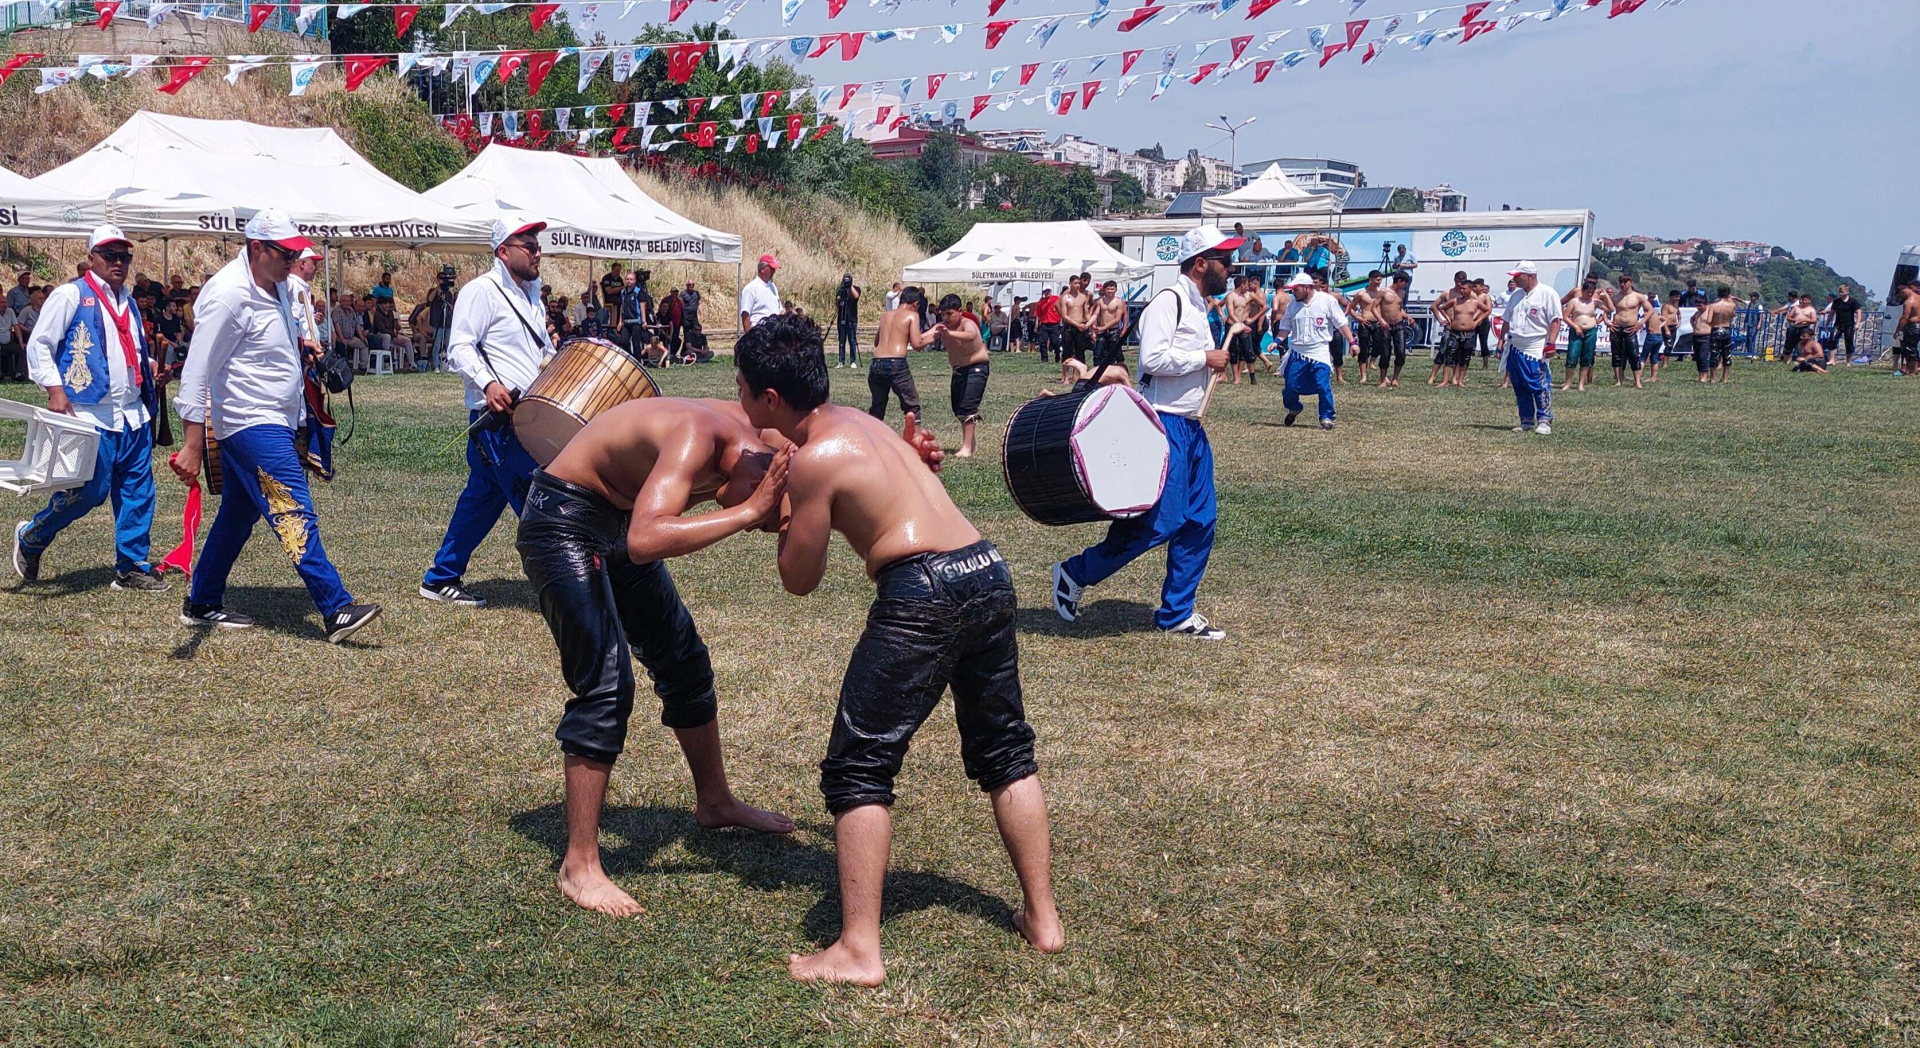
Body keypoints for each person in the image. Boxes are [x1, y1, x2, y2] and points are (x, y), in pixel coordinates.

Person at [733, 314, 1062, 985]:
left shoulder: (813, 461)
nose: (737, 399)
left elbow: (799, 580)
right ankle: (1044, 920)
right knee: (1005, 749)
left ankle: (858, 949)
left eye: (741, 389)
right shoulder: (862, 421)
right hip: (986, 569)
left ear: (768, 398)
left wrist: (773, 509)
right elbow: (897, 473)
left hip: (923, 589)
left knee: (858, 764)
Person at [514, 395, 813, 918]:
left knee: (684, 662)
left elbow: (838, 437)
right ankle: (579, 866)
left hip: (619, 518)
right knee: (606, 685)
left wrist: (908, 455)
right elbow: (646, 539)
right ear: (756, 479)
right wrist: (746, 512)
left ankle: (715, 803)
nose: (756, 528)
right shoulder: (697, 438)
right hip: (563, 519)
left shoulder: (767, 439)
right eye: (763, 517)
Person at [169, 209, 380, 641]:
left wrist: (302, 349)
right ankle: (336, 607)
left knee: (238, 514)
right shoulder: (228, 296)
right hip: (250, 420)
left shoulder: (278, 284)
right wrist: (191, 445)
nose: (292, 261)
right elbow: (196, 371)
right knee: (292, 507)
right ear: (257, 248)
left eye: (294, 253)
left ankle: (203, 600)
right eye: (285, 253)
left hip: (278, 417)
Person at [1051, 226, 1241, 641]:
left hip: (1191, 427)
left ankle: (1177, 613)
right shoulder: (1169, 301)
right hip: (1163, 424)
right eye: (1225, 261)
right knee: (1160, 522)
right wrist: (1204, 358)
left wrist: (1207, 361)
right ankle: (1075, 572)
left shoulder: (1199, 306)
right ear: (1201, 264)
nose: (1232, 268)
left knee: (1201, 520)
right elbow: (1151, 360)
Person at [11, 225, 165, 592]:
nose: (118, 262)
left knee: (138, 490)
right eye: (110, 255)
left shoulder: (129, 301)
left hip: (132, 412)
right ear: (91, 258)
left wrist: (149, 368)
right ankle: (32, 536)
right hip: (89, 412)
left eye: (124, 256)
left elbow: (129, 349)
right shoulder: (71, 295)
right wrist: (54, 389)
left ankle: (131, 565)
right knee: (90, 491)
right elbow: (40, 344)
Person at [419, 214, 551, 609]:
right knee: (536, 499)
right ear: (503, 251)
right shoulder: (481, 291)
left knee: (481, 498)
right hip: (498, 421)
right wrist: (489, 384)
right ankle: (563, 582)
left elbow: (540, 350)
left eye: (538, 245)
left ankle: (441, 577)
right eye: (529, 246)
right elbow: (460, 347)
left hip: (527, 415)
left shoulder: (533, 294)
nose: (537, 252)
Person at [1278, 269, 1352, 431]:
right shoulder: (1293, 305)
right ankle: (1294, 407)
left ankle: (1327, 417)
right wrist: (1277, 341)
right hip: (1298, 352)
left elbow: (1341, 324)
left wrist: (1352, 342)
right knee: (1290, 386)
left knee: (1322, 385)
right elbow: (1285, 326)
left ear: (1307, 287)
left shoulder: (1327, 301)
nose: (1293, 292)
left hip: (1319, 351)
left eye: (1296, 289)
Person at [1502, 261, 1563, 435]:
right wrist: (1501, 342)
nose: (1515, 279)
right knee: (1519, 384)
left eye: (1518, 276)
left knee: (1538, 383)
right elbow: (1507, 319)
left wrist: (1551, 343)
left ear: (1530, 276)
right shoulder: (1516, 295)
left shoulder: (1547, 293)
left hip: (1535, 346)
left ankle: (1544, 419)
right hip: (1515, 345)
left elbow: (1555, 320)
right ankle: (1526, 420)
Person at [932, 294, 988, 459]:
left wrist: (948, 333)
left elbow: (970, 335)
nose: (945, 318)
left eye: (950, 314)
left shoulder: (967, 323)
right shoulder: (943, 327)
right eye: (943, 314)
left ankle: (966, 448)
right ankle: (971, 443)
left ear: (960, 311)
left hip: (977, 367)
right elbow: (925, 337)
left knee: (967, 407)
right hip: (958, 370)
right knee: (957, 408)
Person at [868, 286, 935, 420]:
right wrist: (934, 335)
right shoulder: (912, 315)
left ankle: (871, 432)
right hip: (896, 363)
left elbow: (876, 342)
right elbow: (917, 345)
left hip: (876, 363)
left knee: (877, 407)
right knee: (912, 406)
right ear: (916, 304)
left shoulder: (886, 316)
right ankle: (914, 433)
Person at [1433, 272, 1486, 389]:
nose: (1461, 290)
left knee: (1465, 357)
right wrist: (1447, 319)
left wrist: (1476, 321)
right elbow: (1441, 308)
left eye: (1464, 289)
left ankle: (1460, 381)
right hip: (1455, 331)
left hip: (1469, 332)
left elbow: (1487, 310)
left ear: (1470, 289)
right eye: (1461, 288)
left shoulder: (1475, 301)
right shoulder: (1455, 300)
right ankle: (1445, 380)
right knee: (1450, 355)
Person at [1559, 277, 1603, 393]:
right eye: (1588, 292)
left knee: (1587, 357)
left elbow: (1610, 308)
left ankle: (1581, 384)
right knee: (1572, 356)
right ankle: (1568, 383)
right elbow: (1565, 316)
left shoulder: (1594, 302)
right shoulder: (1574, 301)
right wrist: (1576, 327)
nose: (1590, 294)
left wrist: (1605, 296)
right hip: (1576, 331)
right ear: (1583, 290)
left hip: (1590, 331)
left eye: (1592, 292)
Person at [1607, 274, 1650, 389]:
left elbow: (1650, 310)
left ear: (1631, 282)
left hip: (1630, 328)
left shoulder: (1638, 296)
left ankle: (1638, 382)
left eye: (1625, 282)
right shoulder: (1616, 297)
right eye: (1621, 282)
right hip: (1617, 327)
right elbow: (1606, 310)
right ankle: (1618, 380)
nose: (1622, 284)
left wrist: (1641, 323)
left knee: (1634, 355)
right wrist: (1607, 322)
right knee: (1617, 355)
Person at [1225, 273, 1265, 386]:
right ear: (1241, 285)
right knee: (1233, 351)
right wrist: (1241, 325)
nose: (1248, 286)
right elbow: (1231, 314)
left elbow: (1264, 306)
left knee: (1248, 351)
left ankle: (1253, 378)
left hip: (1243, 324)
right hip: (1232, 325)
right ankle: (1236, 378)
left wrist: (1252, 319)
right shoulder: (1231, 296)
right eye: (1246, 284)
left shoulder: (1248, 295)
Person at [1376, 272, 1413, 389]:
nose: (1405, 285)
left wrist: (1407, 316)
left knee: (1401, 352)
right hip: (1386, 325)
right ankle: (1383, 379)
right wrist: (1381, 320)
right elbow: (1373, 308)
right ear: (1399, 281)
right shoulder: (1384, 292)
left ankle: (1395, 378)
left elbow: (1399, 309)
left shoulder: (1402, 293)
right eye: (1405, 283)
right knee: (1385, 352)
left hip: (1399, 324)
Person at [1059, 273, 1095, 384]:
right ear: (1070, 283)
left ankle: (1078, 375)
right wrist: (1076, 324)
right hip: (1069, 326)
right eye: (1075, 283)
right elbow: (1064, 315)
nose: (1078, 285)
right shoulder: (1066, 297)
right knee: (1067, 352)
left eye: (1079, 283)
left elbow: (1086, 313)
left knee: (1080, 352)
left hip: (1081, 326)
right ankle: (1065, 376)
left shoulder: (1084, 297)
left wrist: (1090, 324)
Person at [1348, 272, 1383, 386]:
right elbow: (1350, 308)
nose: (1379, 282)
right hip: (1365, 322)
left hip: (1378, 323)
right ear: (1370, 280)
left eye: (1380, 279)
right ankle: (1363, 375)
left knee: (1380, 345)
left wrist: (1383, 319)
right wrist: (1359, 318)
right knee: (1364, 349)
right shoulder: (1361, 293)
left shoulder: (1382, 292)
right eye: (1377, 280)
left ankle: (1373, 363)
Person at [1698, 286, 1738, 383]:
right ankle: (1724, 378)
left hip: (1716, 329)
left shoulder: (1713, 306)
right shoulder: (1732, 305)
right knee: (1727, 354)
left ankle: (1713, 378)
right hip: (1726, 329)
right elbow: (1733, 315)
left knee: (1714, 354)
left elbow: (1709, 320)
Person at [1090, 280, 1129, 370]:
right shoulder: (1100, 301)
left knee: (1116, 353)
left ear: (1116, 290)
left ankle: (1120, 371)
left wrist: (1124, 328)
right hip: (1101, 331)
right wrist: (1092, 328)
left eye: (1112, 289)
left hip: (1113, 331)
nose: (1110, 291)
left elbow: (1118, 319)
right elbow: (1095, 315)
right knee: (1098, 353)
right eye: (1108, 289)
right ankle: (1097, 373)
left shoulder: (1119, 302)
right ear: (1104, 290)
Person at [738, 254, 781, 333]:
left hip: (775, 334)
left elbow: (779, 309)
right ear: (762, 269)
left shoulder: (773, 287)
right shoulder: (750, 289)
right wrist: (749, 337)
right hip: (759, 333)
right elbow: (745, 315)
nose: (774, 271)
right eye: (771, 268)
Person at [331, 288, 370, 373]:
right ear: (341, 301)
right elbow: (336, 325)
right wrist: (342, 339)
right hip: (339, 338)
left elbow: (356, 324)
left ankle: (363, 367)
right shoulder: (336, 311)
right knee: (341, 347)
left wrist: (361, 337)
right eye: (345, 301)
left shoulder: (352, 310)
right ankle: (345, 369)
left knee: (364, 344)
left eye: (349, 301)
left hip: (351, 338)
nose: (348, 303)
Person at [1825, 284, 1862, 364]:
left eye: (1842, 292)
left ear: (1847, 292)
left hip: (1849, 325)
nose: (1840, 293)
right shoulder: (1836, 301)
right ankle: (1832, 360)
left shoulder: (1853, 301)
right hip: (1838, 324)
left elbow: (1858, 312)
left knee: (1849, 342)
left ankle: (1848, 361)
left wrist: (1857, 323)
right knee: (1833, 339)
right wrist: (1827, 324)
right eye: (1839, 292)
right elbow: (1831, 313)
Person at [833, 273, 862, 368]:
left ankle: (853, 361)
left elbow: (856, 296)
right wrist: (838, 300)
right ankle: (841, 361)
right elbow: (837, 305)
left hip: (851, 319)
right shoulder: (840, 291)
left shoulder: (856, 289)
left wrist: (850, 286)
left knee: (852, 341)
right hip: (841, 318)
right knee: (841, 341)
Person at [1781, 293, 1819, 366]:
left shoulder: (1811, 310)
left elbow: (1814, 320)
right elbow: (1789, 317)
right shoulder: (1796, 308)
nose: (1803, 301)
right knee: (1789, 345)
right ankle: (1785, 361)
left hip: (1804, 328)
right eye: (1802, 300)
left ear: (1809, 301)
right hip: (1795, 327)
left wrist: (1804, 320)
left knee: (1803, 344)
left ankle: (1801, 360)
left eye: (1805, 300)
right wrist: (1795, 320)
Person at [1893, 283, 1920, 377]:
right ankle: (1909, 369)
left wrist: (1897, 330)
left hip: (1912, 327)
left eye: (1901, 295)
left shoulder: (1909, 302)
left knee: (1910, 349)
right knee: (1912, 349)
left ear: (1903, 292)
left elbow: (1904, 317)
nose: (1901, 297)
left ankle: (1913, 371)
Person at [1033, 286, 1062, 364]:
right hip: (1044, 324)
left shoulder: (1056, 299)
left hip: (1054, 324)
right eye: (1045, 291)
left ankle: (1057, 356)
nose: (1047, 292)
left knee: (1055, 342)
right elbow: (1038, 314)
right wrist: (1036, 325)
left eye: (1048, 290)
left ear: (1051, 291)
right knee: (1042, 341)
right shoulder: (1041, 302)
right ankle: (1044, 358)